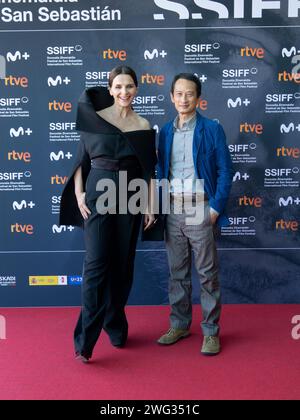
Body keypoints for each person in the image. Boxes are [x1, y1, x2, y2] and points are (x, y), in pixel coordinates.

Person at [59, 66, 157, 363]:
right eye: (118, 87)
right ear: (110, 89)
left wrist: (150, 204)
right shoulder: (95, 120)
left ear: (136, 89)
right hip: (98, 195)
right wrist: (78, 193)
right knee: (96, 265)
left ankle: (114, 324)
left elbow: (148, 171)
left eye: (129, 87)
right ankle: (85, 341)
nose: (124, 92)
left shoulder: (143, 124)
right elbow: (80, 160)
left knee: (123, 266)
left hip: (132, 196)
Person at [156, 73, 233, 356]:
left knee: (207, 274)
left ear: (198, 98)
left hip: (201, 207)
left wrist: (214, 209)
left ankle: (211, 332)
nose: (184, 99)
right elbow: (161, 171)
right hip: (173, 208)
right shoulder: (164, 132)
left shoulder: (212, 129)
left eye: (189, 94)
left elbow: (225, 170)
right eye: (179, 93)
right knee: (177, 273)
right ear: (172, 97)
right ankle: (179, 325)